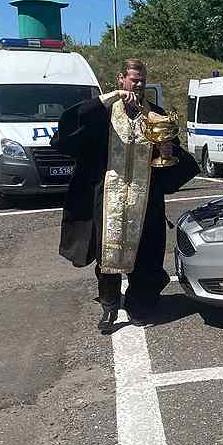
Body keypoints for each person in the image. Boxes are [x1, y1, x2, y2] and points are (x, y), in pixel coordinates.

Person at [52, 58, 199, 333]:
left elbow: (172, 153)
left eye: (142, 80)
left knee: (145, 256)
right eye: (133, 79)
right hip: (108, 198)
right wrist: (110, 97)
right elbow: (71, 122)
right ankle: (109, 308)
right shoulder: (104, 112)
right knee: (107, 256)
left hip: (145, 200)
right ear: (121, 79)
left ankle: (138, 305)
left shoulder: (155, 114)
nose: (139, 84)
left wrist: (168, 154)